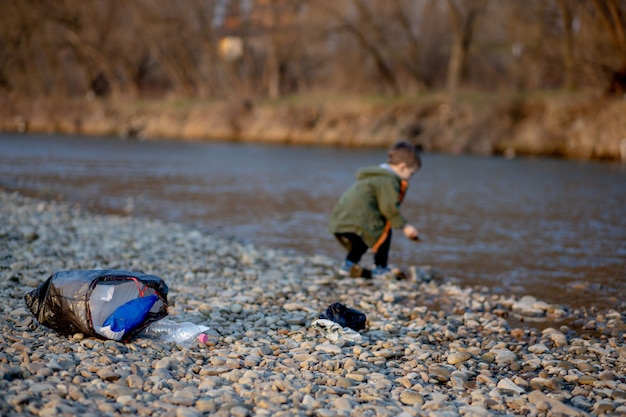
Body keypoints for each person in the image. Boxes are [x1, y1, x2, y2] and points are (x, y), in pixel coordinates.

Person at [328, 140, 421, 279]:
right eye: (411, 173)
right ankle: (380, 268)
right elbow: (388, 208)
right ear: (402, 167)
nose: (410, 178)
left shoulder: (376, 175)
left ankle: (347, 266)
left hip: (341, 220)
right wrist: (404, 226)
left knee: (362, 240)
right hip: (357, 220)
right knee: (383, 231)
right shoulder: (388, 180)